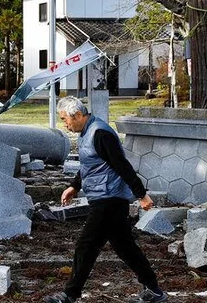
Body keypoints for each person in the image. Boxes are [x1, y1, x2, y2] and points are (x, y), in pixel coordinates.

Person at [44, 97, 168, 303]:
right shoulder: (86, 132)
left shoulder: (100, 133)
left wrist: (141, 195)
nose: (64, 123)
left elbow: (122, 165)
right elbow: (90, 165)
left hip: (109, 198)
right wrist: (74, 186)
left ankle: (69, 295)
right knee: (125, 247)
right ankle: (154, 290)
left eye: (65, 119)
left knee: (86, 245)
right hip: (104, 197)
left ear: (77, 115)